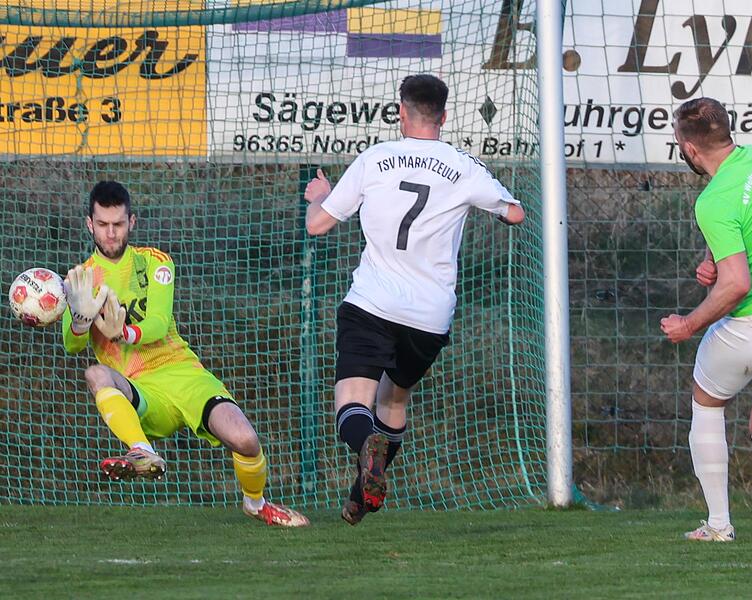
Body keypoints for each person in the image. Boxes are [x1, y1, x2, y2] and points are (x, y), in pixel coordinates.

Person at [303, 74, 525, 525]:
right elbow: (515, 213)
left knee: (352, 401)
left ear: (400, 111)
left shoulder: (375, 158)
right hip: (428, 316)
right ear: (443, 117)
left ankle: (367, 449)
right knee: (394, 401)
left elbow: (318, 225)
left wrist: (320, 196)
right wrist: (489, 209)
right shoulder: (464, 167)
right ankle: (363, 489)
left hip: (373, 303)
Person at [62, 180, 309, 527]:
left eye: (118, 224)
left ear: (132, 222)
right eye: (102, 225)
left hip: (183, 374)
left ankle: (256, 503)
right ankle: (142, 452)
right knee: (95, 373)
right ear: (90, 224)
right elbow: (71, 346)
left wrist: (124, 331)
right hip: (139, 391)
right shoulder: (80, 280)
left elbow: (160, 323)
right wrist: (79, 322)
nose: (111, 233)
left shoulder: (155, 263)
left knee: (246, 439)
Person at [661, 97, 752, 542]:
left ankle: (718, 524)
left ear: (688, 148)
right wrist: (712, 260)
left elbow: (737, 283)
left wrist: (689, 324)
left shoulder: (713, 201)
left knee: (706, 399)